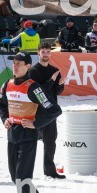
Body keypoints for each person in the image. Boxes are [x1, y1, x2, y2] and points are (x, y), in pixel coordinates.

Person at [0, 52, 61, 193]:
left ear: (28, 66)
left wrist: (36, 123)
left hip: (28, 137)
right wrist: (5, 119)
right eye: (14, 63)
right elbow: (1, 104)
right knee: (15, 178)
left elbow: (54, 110)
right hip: (12, 136)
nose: (15, 66)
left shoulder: (34, 88)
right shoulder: (7, 84)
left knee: (22, 178)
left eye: (19, 63)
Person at [29, 41, 66, 179]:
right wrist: (51, 80)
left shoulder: (54, 70)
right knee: (31, 141)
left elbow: (56, 92)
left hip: (50, 111)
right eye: (43, 52)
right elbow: (39, 92)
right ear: (38, 53)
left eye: (48, 52)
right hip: (37, 111)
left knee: (50, 142)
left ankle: (49, 171)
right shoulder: (33, 71)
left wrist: (60, 85)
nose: (45, 54)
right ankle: (26, 170)